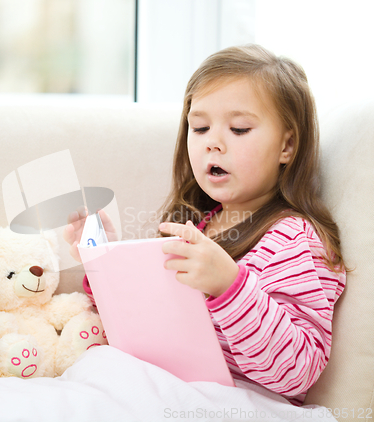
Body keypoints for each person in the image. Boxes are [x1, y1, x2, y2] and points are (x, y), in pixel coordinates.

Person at [62, 44, 347, 406]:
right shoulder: (198, 224)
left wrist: (231, 286)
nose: (213, 142)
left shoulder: (294, 240)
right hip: (168, 389)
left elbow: (297, 371)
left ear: (287, 145)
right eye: (199, 127)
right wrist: (107, 261)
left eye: (239, 129)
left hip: (240, 403)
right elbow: (146, 328)